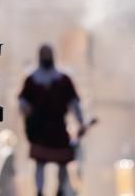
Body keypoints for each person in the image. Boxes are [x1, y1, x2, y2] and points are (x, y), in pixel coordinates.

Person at [19, 45, 87, 196]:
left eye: (48, 54)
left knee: (63, 160)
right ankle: (39, 192)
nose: (46, 57)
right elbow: (22, 101)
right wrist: (27, 112)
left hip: (58, 125)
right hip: (39, 127)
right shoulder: (32, 79)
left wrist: (81, 121)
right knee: (39, 161)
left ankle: (60, 190)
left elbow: (74, 102)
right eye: (44, 54)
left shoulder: (63, 79)